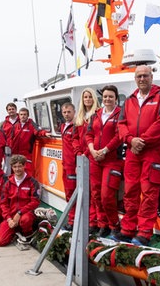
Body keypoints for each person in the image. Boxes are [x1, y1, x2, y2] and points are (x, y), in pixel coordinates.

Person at [114, 65, 160, 246]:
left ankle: (145, 232)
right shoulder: (129, 100)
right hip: (132, 152)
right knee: (130, 191)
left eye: (145, 75)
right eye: (139, 76)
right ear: (135, 79)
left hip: (151, 152)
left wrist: (141, 141)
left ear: (151, 77)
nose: (142, 79)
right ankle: (128, 229)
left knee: (149, 192)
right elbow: (121, 124)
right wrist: (131, 140)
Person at [85, 85, 124, 237]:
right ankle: (103, 224)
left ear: (116, 98)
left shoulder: (120, 114)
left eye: (111, 97)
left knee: (107, 195)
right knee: (95, 194)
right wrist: (92, 150)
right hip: (95, 159)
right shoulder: (96, 114)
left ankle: (114, 224)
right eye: (105, 96)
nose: (107, 99)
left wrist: (105, 150)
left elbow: (119, 136)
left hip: (112, 160)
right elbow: (89, 134)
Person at [71, 87, 100, 231]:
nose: (87, 99)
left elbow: (96, 137)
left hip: (93, 157)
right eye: (85, 97)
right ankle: (88, 219)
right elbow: (75, 138)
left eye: (90, 97)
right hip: (82, 158)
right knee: (85, 191)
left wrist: (88, 152)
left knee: (95, 191)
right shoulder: (79, 117)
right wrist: (78, 153)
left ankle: (95, 221)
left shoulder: (98, 115)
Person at [0, 154, 41, 247]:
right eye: (15, 167)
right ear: (12, 167)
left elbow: (35, 201)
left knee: (26, 220)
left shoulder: (32, 182)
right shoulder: (8, 183)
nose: (17, 169)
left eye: (20, 166)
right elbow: (3, 203)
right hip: (11, 216)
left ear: (24, 166)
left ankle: (27, 234)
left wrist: (20, 212)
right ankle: (14, 231)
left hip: (25, 214)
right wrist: (8, 219)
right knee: (0, 242)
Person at [9, 107, 50, 176]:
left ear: (28, 116)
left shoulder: (31, 124)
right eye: (21, 114)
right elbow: (10, 138)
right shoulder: (15, 126)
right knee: (15, 174)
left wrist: (45, 133)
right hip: (15, 154)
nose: (23, 116)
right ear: (18, 115)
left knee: (27, 173)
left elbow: (38, 131)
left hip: (26, 154)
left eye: (25, 114)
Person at [59, 102, 79, 231]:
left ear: (74, 111)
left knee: (72, 194)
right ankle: (72, 219)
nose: (67, 114)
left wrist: (77, 163)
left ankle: (73, 221)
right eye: (64, 112)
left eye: (69, 112)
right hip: (65, 165)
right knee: (68, 193)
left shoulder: (76, 127)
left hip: (73, 165)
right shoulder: (63, 127)